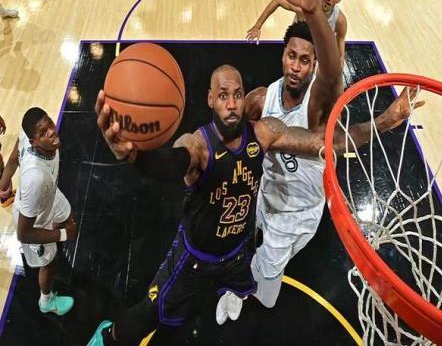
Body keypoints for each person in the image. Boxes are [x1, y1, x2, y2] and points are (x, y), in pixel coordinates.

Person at [217, 0, 424, 316]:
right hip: (266, 195)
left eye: (306, 60)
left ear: (314, 66)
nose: (297, 66)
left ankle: (245, 293)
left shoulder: (319, 107)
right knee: (245, 236)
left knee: (267, 291)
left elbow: (337, 119)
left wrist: (385, 121)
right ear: (283, 56)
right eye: (292, 56)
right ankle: (242, 279)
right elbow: (236, 141)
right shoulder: (261, 99)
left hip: (298, 214)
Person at [87, 63, 336, 345]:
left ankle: (227, 298)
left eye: (237, 95)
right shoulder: (199, 145)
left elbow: (321, 142)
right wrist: (136, 157)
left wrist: (374, 125)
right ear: (210, 99)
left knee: (220, 299)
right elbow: (172, 163)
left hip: (235, 253)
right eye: (223, 95)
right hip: (195, 259)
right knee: (150, 313)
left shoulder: (263, 133)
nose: (231, 104)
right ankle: (108, 337)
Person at [13, 107, 77, 315]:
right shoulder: (36, 178)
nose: (51, 132)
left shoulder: (27, 136)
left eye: (49, 123)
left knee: (69, 218)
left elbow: (15, 154)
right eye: (43, 133)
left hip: (48, 195)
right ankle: (46, 301)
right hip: (33, 219)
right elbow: (24, 233)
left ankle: (54, 242)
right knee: (50, 262)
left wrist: (4, 184)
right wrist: (62, 234)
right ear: (34, 142)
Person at [246, 0, 347, 62]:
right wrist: (258, 26)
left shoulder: (340, 20)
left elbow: (340, 43)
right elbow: (278, 0)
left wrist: (340, 61)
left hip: (315, 52)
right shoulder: (305, 7)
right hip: (296, 46)